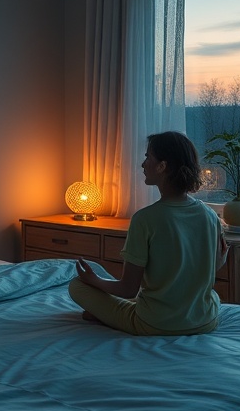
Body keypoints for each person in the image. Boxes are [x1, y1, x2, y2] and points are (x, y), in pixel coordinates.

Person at [68, 131, 228, 336]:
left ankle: (104, 314)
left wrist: (93, 280)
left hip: (156, 324)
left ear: (162, 166)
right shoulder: (209, 215)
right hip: (205, 320)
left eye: (148, 157)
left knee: (76, 286)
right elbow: (207, 269)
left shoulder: (145, 219)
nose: (143, 164)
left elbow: (128, 290)